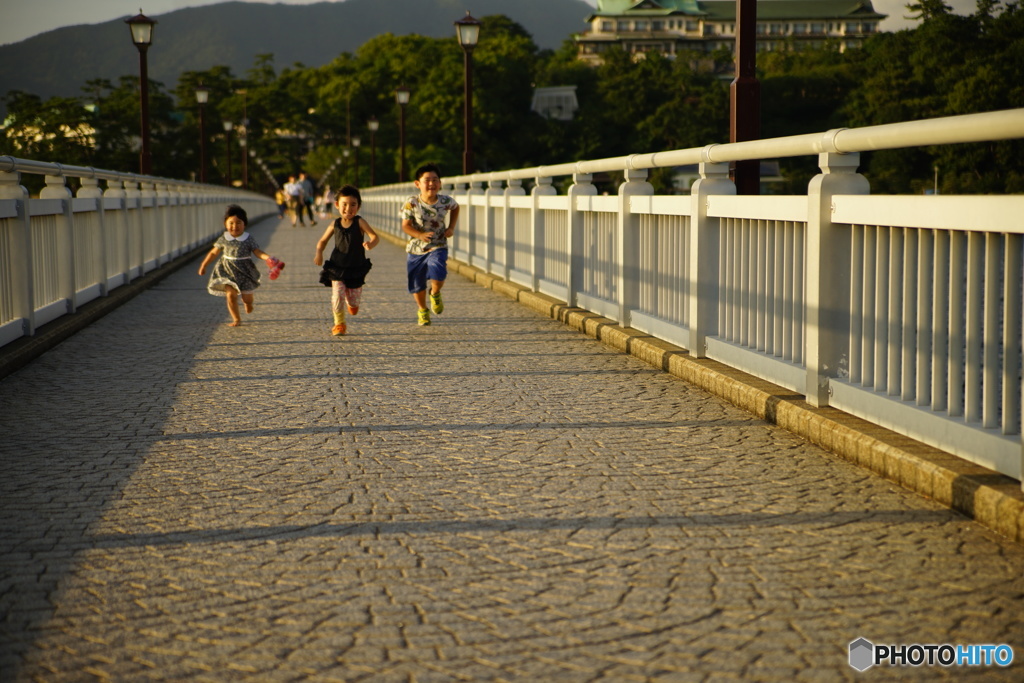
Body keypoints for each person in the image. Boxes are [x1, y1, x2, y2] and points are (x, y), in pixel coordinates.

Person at [198, 204, 283, 327]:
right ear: (226, 224)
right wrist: (204, 265)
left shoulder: (248, 238)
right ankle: (236, 319)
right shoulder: (224, 238)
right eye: (231, 223)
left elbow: (257, 251)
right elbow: (213, 252)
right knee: (231, 295)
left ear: (244, 224)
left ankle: (248, 304)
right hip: (227, 269)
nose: (235, 226)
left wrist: (268, 257)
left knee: (247, 298)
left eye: (238, 223)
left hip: (245, 270)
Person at [314, 185, 379, 336]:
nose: (348, 209)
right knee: (337, 295)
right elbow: (322, 241)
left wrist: (370, 244)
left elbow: (375, 236)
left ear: (358, 206)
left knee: (353, 300)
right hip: (337, 265)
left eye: (353, 205)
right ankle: (339, 323)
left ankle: (352, 304)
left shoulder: (360, 222)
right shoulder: (334, 224)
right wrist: (319, 252)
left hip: (356, 266)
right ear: (337, 205)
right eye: (344, 204)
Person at [401, 163, 459, 326]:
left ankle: (435, 292)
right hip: (415, 249)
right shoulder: (412, 202)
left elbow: (455, 208)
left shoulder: (445, 201)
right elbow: (405, 226)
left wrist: (451, 227)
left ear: (440, 183)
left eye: (435, 180)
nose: (432, 184)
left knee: (438, 271)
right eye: (427, 180)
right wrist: (419, 234)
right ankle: (423, 310)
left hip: (438, 244)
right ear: (417, 184)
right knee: (417, 283)